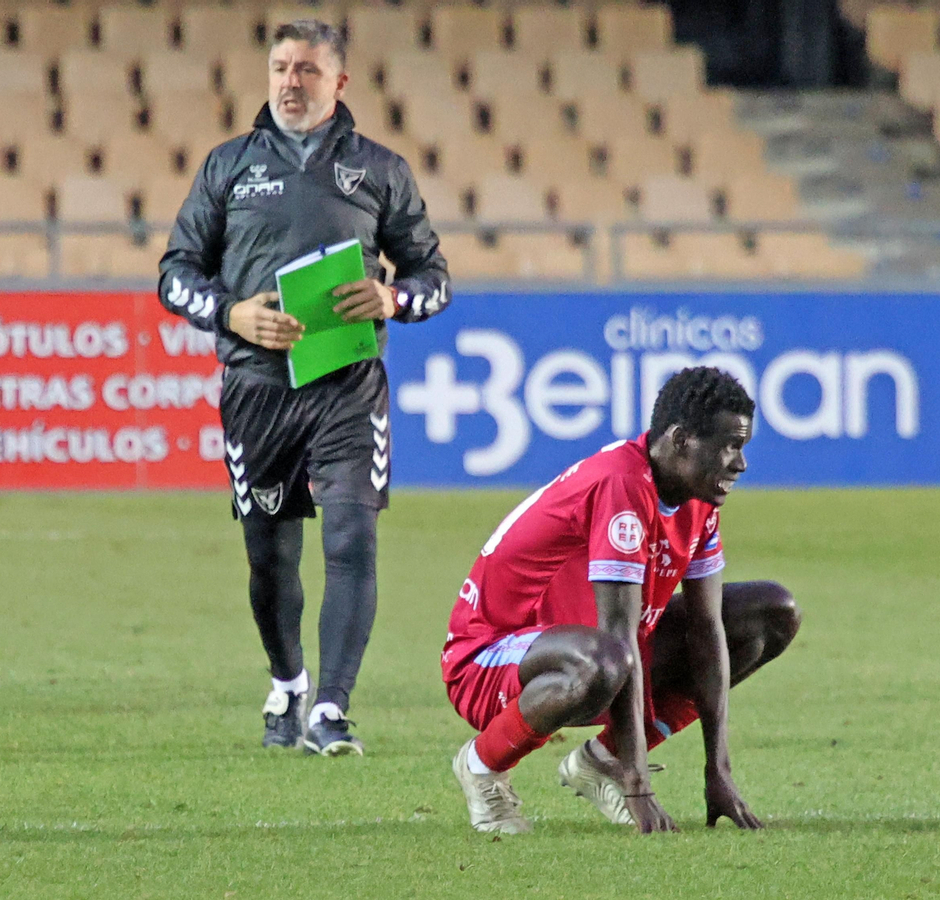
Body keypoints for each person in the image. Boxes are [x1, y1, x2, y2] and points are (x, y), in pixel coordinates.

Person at [158, 20, 450, 756]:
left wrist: (393, 301)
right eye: (281, 67)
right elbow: (173, 275)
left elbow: (434, 278)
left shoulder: (379, 169)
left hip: (347, 385)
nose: (292, 81)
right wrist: (233, 313)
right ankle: (288, 682)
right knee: (270, 558)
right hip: (257, 389)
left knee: (352, 535)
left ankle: (331, 709)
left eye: (308, 70)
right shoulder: (228, 166)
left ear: (339, 82)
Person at [442, 367, 803, 834]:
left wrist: (719, 772)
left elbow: (707, 630)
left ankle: (604, 761)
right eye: (729, 446)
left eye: (743, 447)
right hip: (487, 657)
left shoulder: (697, 498)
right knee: (607, 657)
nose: (740, 463)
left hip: (595, 656)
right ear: (680, 440)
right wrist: (639, 787)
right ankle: (482, 765)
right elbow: (619, 633)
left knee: (768, 616)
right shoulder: (621, 483)